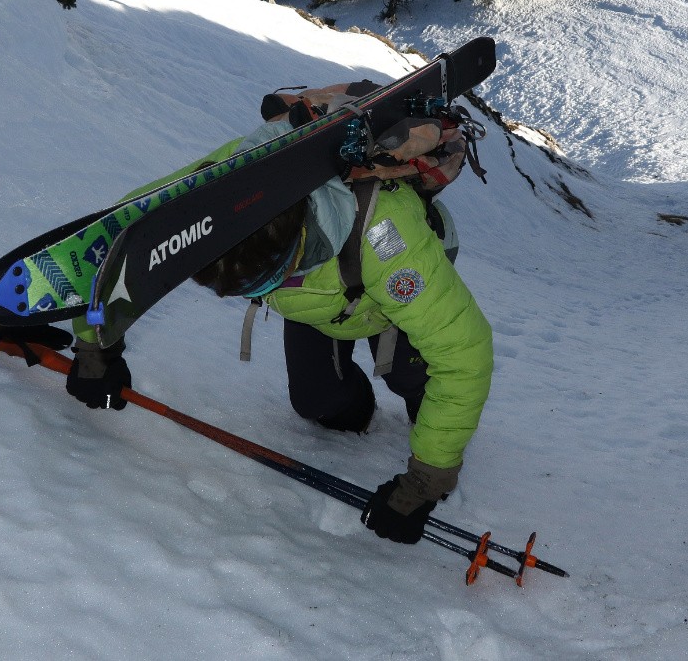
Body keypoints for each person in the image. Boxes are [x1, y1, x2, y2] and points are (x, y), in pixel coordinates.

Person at [60, 112, 494, 546]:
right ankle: (361, 408)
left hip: (391, 286)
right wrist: (95, 345)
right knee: (320, 404)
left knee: (416, 377)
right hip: (318, 302)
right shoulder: (225, 182)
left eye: (258, 285)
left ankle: (429, 424)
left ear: (292, 251)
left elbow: (463, 355)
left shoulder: (386, 234)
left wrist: (423, 484)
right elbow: (125, 240)